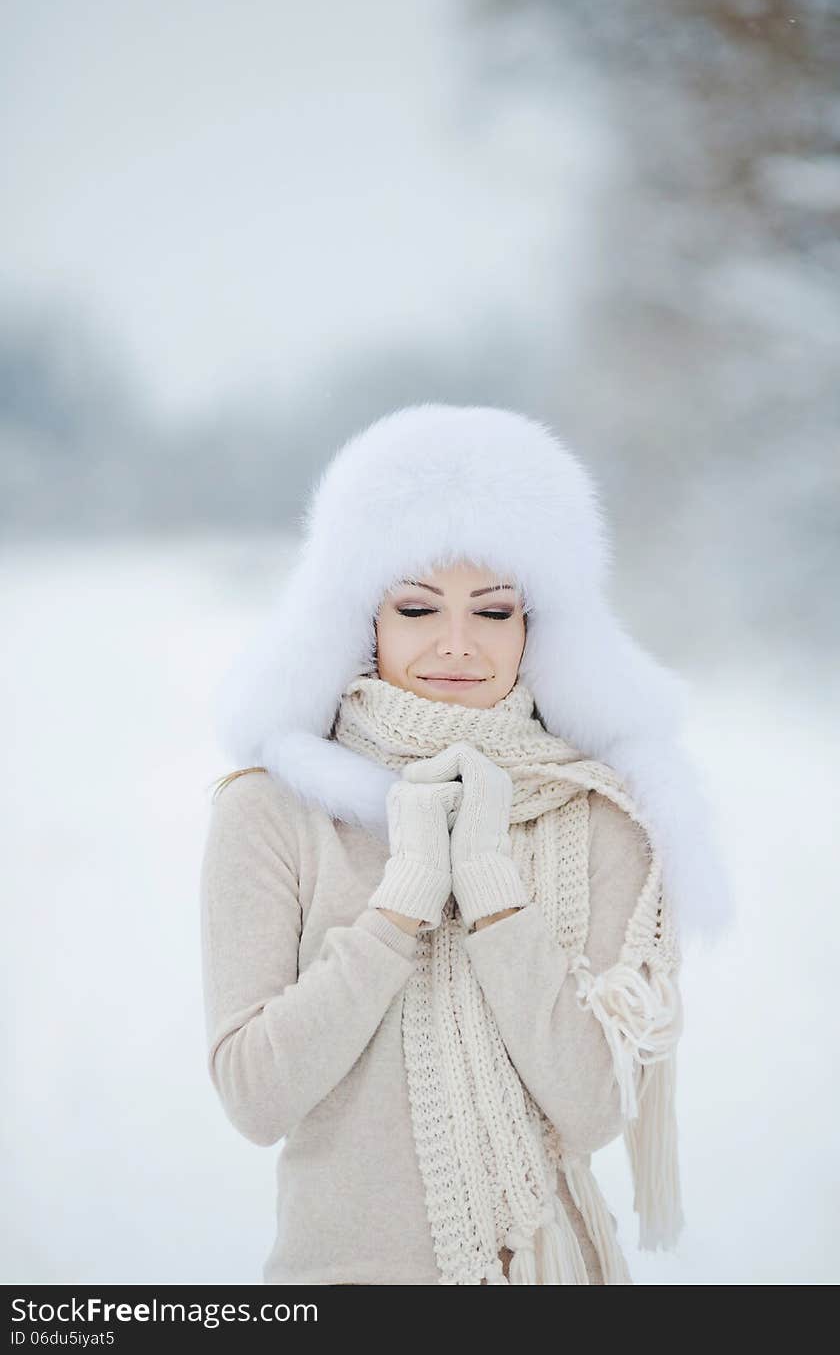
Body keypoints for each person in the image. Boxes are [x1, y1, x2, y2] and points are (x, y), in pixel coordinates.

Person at [199, 403, 732, 1285]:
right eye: (416, 607)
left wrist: (489, 885)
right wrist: (402, 901)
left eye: (493, 611)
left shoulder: (600, 815)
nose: (456, 645)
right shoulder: (272, 813)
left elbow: (595, 1107)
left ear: (537, 627)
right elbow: (256, 1097)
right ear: (362, 621)